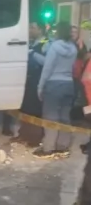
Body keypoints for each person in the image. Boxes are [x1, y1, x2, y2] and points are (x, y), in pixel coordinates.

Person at [34, 21, 78, 159]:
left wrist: (40, 86)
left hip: (54, 85)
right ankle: (63, 146)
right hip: (69, 84)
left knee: (50, 117)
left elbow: (47, 68)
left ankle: (48, 148)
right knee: (65, 117)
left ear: (58, 31)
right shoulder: (73, 48)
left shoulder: (54, 47)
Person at [12, 22, 50, 147]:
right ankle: (23, 134)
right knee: (24, 108)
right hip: (26, 79)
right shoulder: (30, 42)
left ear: (40, 30)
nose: (29, 30)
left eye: (33, 27)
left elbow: (47, 63)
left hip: (37, 80)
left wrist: (33, 53)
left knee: (35, 109)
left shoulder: (46, 44)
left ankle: (35, 138)